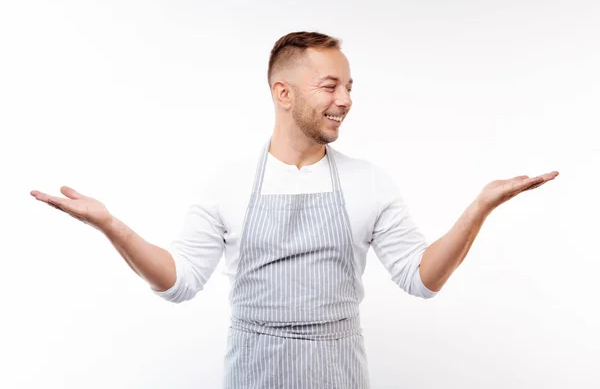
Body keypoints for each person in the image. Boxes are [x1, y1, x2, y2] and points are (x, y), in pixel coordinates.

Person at [30, 31, 559, 388]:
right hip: (253, 374)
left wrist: (481, 206)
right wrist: (109, 224)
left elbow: (422, 279)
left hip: (340, 374)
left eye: (349, 86)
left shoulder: (368, 181)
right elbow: (181, 282)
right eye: (330, 85)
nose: (346, 99)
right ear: (283, 92)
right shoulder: (227, 183)